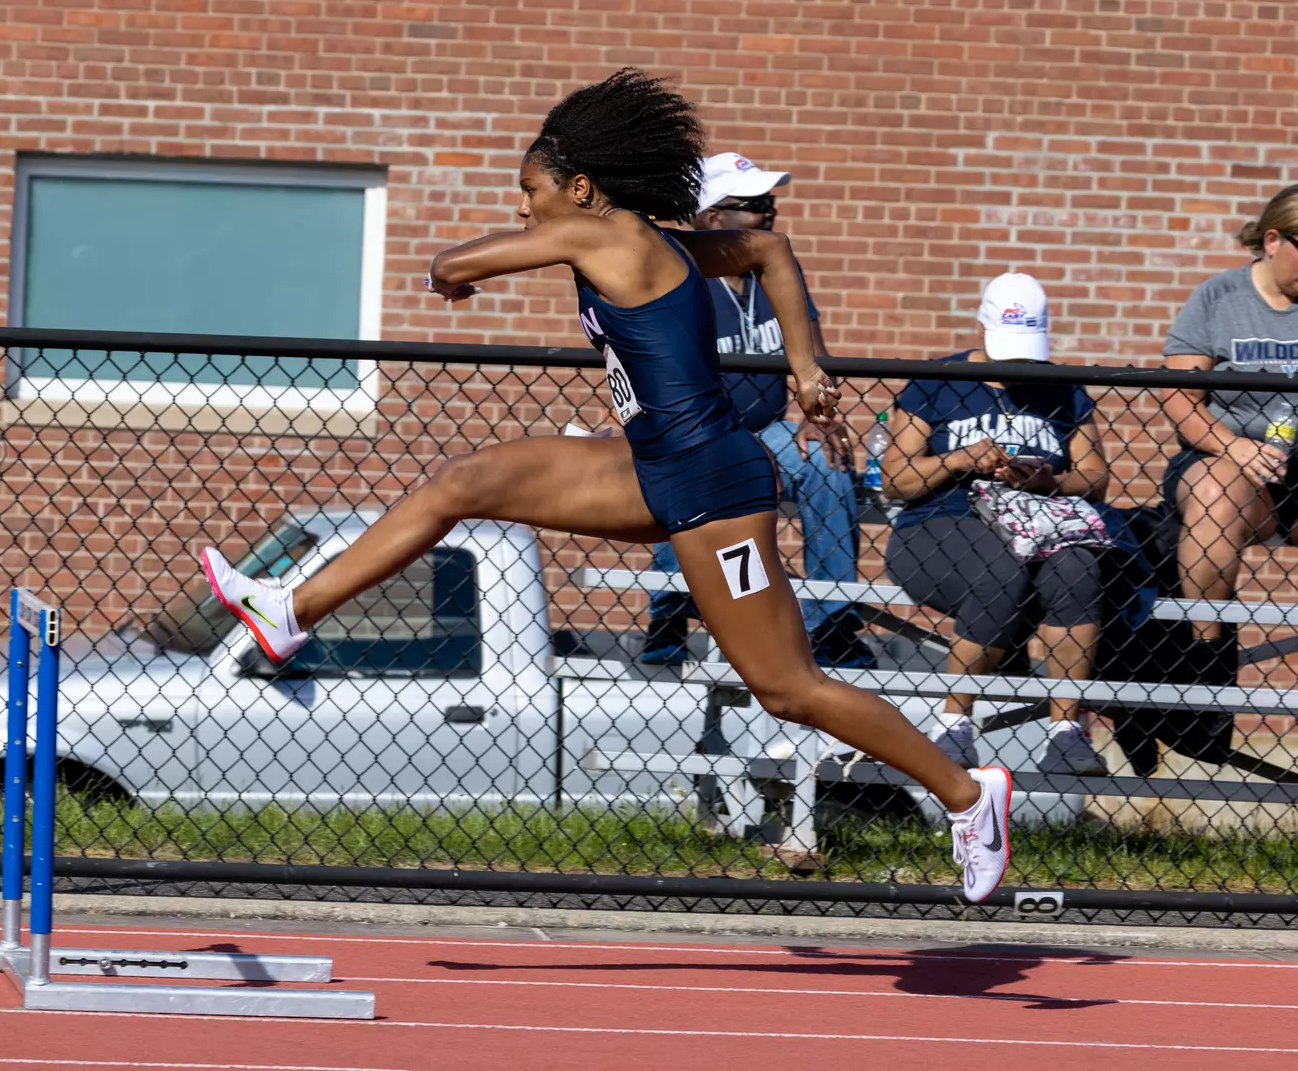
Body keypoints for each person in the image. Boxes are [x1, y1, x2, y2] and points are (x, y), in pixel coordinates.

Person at [198, 68, 1012, 902]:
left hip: (710, 488)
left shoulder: (602, 234)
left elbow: (454, 261)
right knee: (461, 482)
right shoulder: (652, 244)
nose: (522, 207)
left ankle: (966, 793)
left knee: (784, 686)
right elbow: (767, 248)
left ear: (580, 189)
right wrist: (805, 368)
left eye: (529, 190)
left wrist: (451, 272)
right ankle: (288, 611)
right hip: (649, 463)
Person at [640, 153, 870, 670]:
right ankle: (669, 615)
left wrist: (821, 418)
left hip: (768, 426)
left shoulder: (777, 267)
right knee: (691, 471)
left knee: (826, 467)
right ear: (712, 218)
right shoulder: (679, 275)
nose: (769, 213)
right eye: (754, 204)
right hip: (700, 430)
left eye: (770, 202)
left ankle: (832, 622)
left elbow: (815, 355)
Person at [880, 273, 1112, 776]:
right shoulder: (937, 381)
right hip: (939, 523)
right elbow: (895, 480)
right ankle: (954, 726)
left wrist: (1047, 479)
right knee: (1001, 573)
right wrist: (960, 459)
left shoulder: (1062, 387)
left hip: (1040, 521)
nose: (1019, 364)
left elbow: (1096, 479)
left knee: (1078, 570)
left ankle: (1067, 732)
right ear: (982, 327)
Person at [1161, 185, 1298, 680]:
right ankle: (1204, 652)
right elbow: (1180, 399)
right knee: (1218, 488)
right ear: (1275, 239)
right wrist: (1234, 447)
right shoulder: (1218, 297)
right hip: (1224, 463)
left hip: (1295, 470)